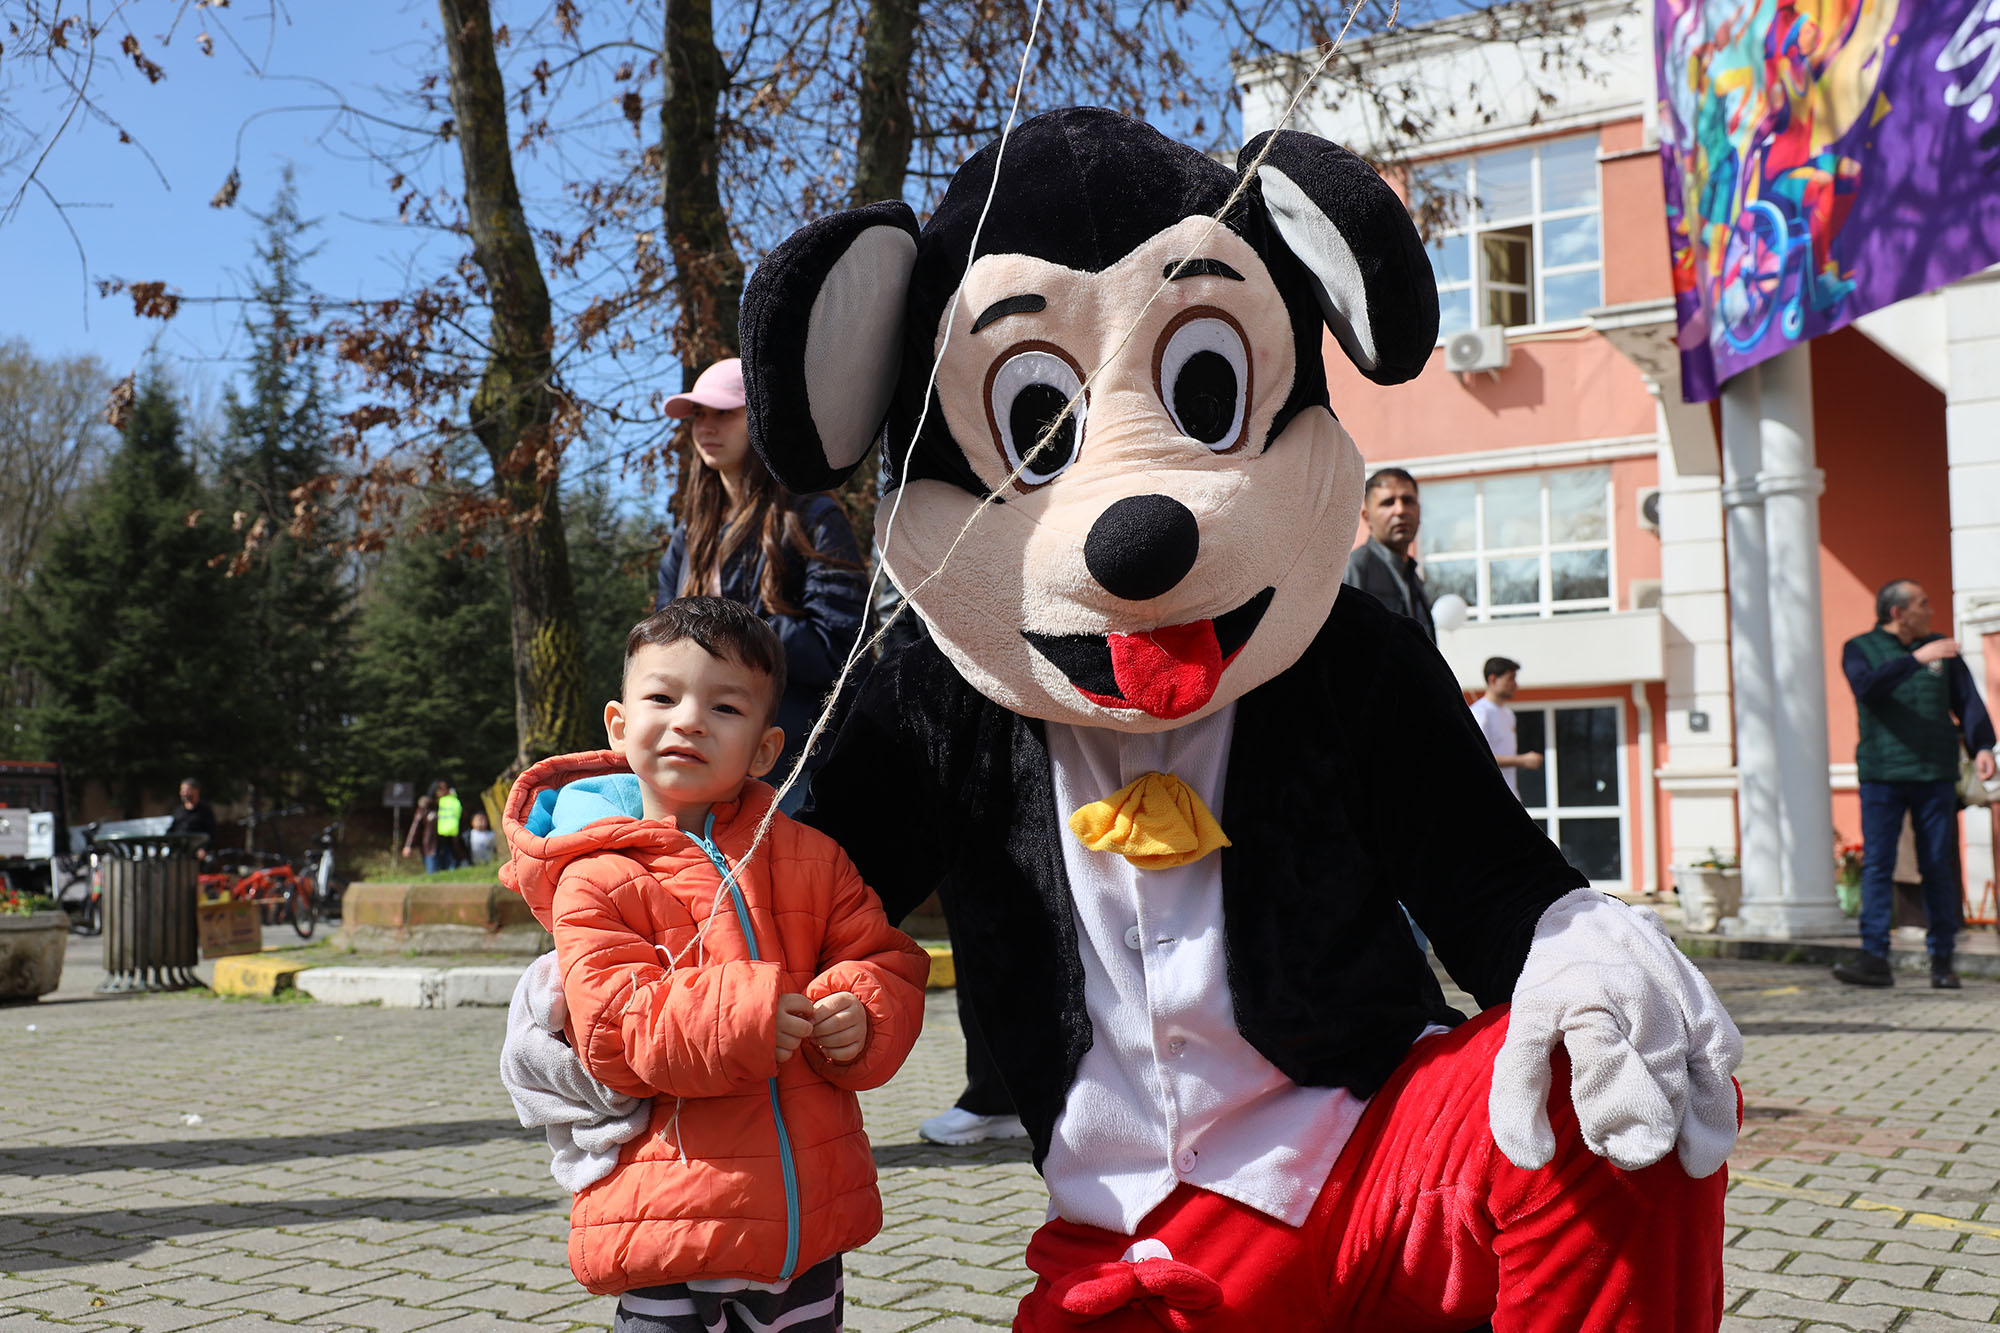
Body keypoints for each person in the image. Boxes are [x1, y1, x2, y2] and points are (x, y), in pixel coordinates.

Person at [498, 598, 930, 1329]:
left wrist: (863, 1005)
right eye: (662, 697)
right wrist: (747, 1015)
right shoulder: (594, 875)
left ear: (764, 750)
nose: (689, 719)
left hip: (801, 1225)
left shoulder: (810, 857)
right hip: (664, 1217)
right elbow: (613, 1027)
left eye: (724, 707)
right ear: (618, 724)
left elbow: (884, 957)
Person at [656, 358, 866, 815]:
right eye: (697, 415)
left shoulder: (812, 517)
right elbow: (659, 656)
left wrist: (732, 628)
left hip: (793, 767)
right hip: (699, 764)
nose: (705, 427)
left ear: (761, 420)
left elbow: (842, 649)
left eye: (723, 413)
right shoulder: (687, 539)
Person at [1833, 580, 1997, 990]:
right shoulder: (1859, 649)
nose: (1930, 610)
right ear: (1898, 613)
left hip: (1935, 775)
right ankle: (1874, 959)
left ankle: (1942, 960)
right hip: (1883, 776)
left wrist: (1983, 746)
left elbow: (1968, 699)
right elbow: (1866, 689)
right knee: (1878, 866)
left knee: (1938, 865)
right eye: (1923, 604)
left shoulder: (1941, 649)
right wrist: (1916, 659)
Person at [1340, 466, 1435, 642]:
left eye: (1408, 500)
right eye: (1388, 502)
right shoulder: (1354, 568)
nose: (1400, 510)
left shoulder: (1414, 578)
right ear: (1367, 517)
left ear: (1419, 511)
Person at [1469, 656, 1545, 798]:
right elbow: (1478, 757)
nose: (1515, 685)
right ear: (1493, 680)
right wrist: (1522, 760)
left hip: (1510, 795)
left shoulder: (1508, 714)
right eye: (1510, 678)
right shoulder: (1479, 713)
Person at [402, 780, 465, 874]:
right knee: (432, 873)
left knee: (449, 875)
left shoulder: (454, 805)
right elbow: (415, 826)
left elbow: (463, 821)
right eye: (440, 788)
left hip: (449, 845)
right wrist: (408, 845)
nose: (443, 791)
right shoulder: (427, 807)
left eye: (446, 788)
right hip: (431, 846)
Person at [165, 777, 218, 861]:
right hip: (179, 854)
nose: (183, 793)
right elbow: (171, 830)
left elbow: (212, 833)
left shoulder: (205, 810)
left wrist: (204, 849)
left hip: (196, 855)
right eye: (182, 790)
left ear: (196, 790)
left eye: (187, 790)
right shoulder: (178, 810)